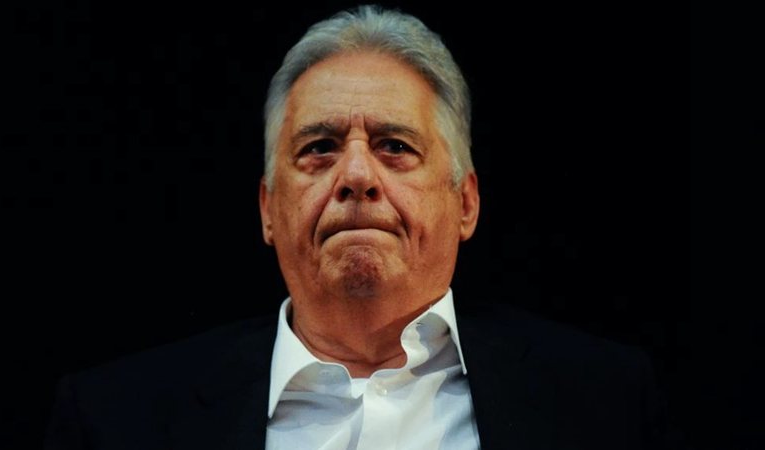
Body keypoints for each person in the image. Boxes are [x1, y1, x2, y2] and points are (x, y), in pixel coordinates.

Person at [45, 5, 684, 449]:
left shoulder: (605, 403)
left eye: (395, 147)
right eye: (319, 147)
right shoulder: (115, 421)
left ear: (465, 203)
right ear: (268, 209)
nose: (355, 175)